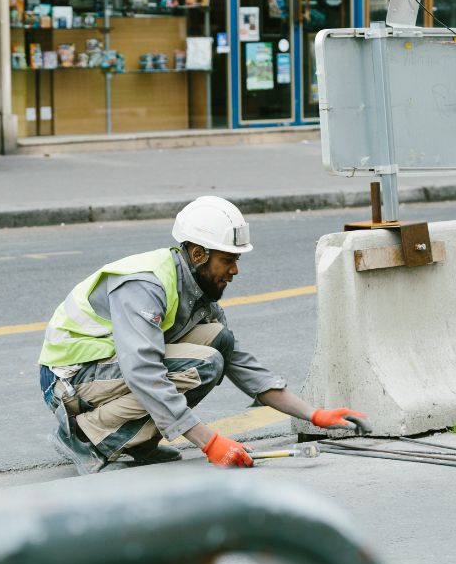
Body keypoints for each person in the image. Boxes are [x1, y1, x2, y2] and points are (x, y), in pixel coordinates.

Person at [38, 196, 369, 474]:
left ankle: (136, 443)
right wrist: (209, 442)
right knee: (205, 363)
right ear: (198, 255)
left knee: (218, 341)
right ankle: (87, 438)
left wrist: (313, 414)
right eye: (228, 260)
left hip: (105, 372)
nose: (235, 270)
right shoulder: (146, 284)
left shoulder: (198, 293)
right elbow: (143, 371)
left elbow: (242, 364)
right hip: (69, 379)